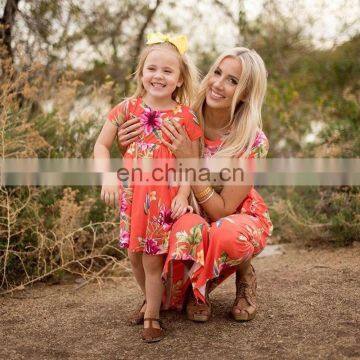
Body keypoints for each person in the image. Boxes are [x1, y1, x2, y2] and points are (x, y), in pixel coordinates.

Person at [117, 46, 273, 323]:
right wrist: (123, 145)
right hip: (186, 208)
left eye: (233, 81)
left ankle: (239, 276)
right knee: (170, 299)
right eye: (217, 73)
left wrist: (190, 162)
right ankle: (181, 290)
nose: (218, 84)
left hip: (232, 213)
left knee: (227, 234)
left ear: (246, 92)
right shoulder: (181, 115)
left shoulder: (253, 141)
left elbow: (223, 211)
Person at [94, 33, 202, 342]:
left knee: (152, 260)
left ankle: (153, 316)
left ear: (180, 79)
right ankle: (152, 299)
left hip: (162, 200)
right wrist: (107, 176)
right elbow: (101, 146)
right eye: (152, 68)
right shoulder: (126, 109)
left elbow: (189, 163)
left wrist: (183, 194)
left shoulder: (184, 116)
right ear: (142, 72)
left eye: (168, 71)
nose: (158, 76)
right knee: (133, 256)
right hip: (132, 198)